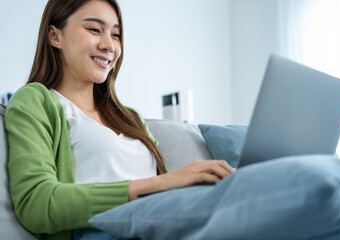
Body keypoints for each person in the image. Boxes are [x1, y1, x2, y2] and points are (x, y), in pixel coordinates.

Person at [4, 0, 234, 239]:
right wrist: (162, 184)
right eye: (94, 29)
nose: (109, 45)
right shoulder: (35, 100)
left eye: (116, 34)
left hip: (158, 221)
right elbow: (37, 203)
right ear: (55, 36)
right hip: (102, 230)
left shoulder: (130, 118)